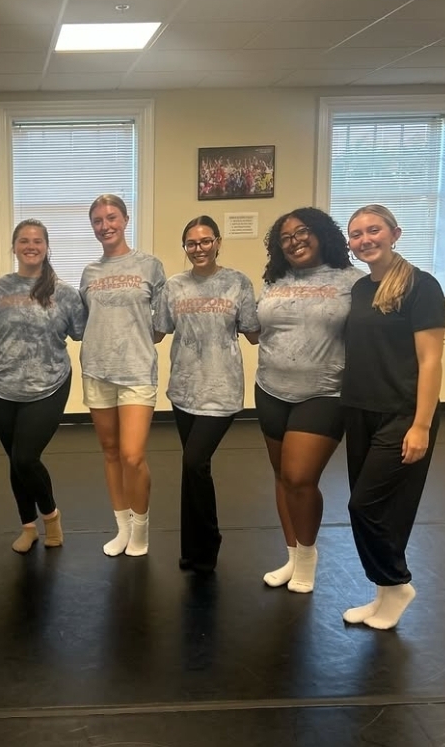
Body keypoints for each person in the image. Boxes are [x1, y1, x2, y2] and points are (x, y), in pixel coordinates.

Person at [341, 205, 445, 630]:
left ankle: (397, 584)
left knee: (365, 505)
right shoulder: (359, 289)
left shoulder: (422, 286)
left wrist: (421, 425)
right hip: (359, 411)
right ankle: (383, 594)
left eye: (374, 230)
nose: (365, 239)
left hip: (402, 414)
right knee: (378, 508)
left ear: (395, 233)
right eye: (356, 234)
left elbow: (431, 360)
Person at [255, 206, 364, 593]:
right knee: (282, 477)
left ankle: (307, 556)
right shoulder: (275, 281)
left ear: (321, 234)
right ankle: (291, 556)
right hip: (270, 388)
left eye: (302, 232)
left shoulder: (352, 281)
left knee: (301, 478)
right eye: (285, 238)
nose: (295, 241)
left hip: (324, 392)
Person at [154, 216, 260, 573]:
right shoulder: (174, 286)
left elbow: (253, 333)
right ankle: (193, 549)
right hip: (184, 389)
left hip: (222, 388)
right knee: (194, 469)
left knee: (194, 463)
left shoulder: (237, 283)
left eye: (204, 241)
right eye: (191, 243)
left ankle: (210, 542)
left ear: (217, 242)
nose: (198, 248)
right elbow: (158, 331)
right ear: (185, 247)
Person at [0, 219, 86, 553]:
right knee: (14, 459)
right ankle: (27, 527)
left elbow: (82, 332)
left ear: (47, 247)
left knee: (25, 458)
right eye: (24, 240)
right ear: (14, 247)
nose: (31, 246)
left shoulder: (65, 294)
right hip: (0, 384)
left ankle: (51, 518)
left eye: (37, 241)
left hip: (48, 384)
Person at [79, 194, 166, 557]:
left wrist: (134, 342)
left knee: (133, 455)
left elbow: (161, 324)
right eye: (98, 220)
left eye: (112, 217)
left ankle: (141, 529)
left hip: (136, 371)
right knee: (111, 452)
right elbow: (86, 321)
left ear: (126, 220)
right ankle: (122, 528)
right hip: (97, 369)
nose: (105, 226)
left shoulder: (150, 266)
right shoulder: (89, 273)